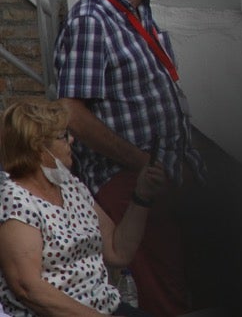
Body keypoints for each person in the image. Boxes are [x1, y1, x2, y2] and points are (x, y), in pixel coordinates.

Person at [52, 0, 206, 315]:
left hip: (167, 168)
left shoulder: (135, 9)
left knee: (189, 271)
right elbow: (72, 111)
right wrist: (141, 164)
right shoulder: (91, 21)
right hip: (129, 180)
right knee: (162, 280)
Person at [0, 98, 167, 317]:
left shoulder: (70, 186)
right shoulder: (15, 198)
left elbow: (118, 252)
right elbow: (28, 288)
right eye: (62, 136)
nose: (71, 140)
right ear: (38, 147)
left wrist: (142, 196)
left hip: (104, 307)